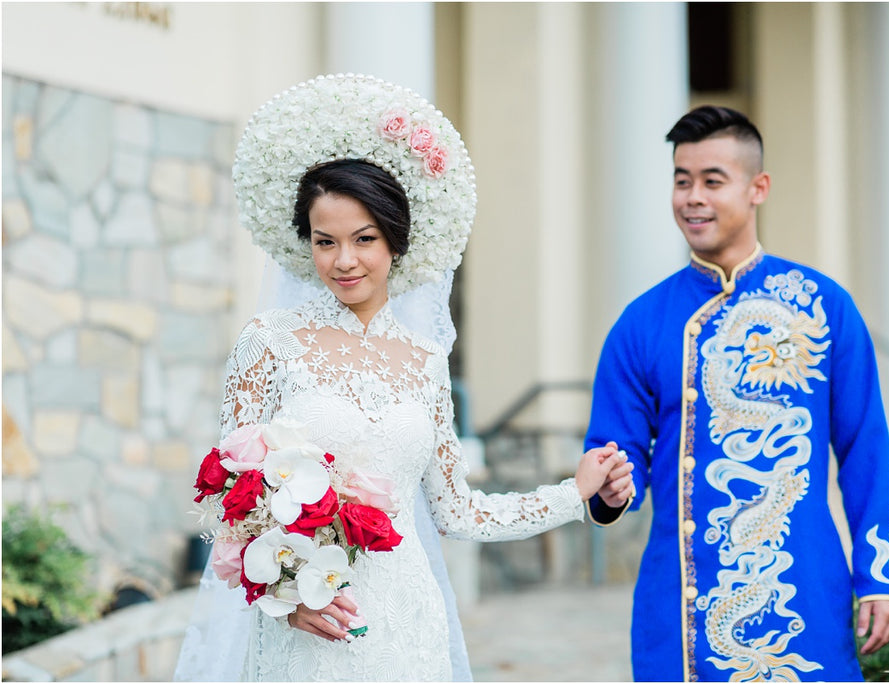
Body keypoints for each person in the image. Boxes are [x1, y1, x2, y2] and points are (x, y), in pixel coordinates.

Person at [174, 74, 622, 682]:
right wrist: (284, 596)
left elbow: (458, 512)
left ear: (395, 242)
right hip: (309, 626)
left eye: (364, 239)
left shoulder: (425, 361)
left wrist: (574, 494)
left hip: (408, 624)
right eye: (325, 241)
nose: (344, 260)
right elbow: (235, 498)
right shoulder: (270, 342)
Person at [584, 105, 889, 682]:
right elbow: (615, 453)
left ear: (758, 188)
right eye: (681, 180)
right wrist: (610, 483)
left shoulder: (822, 305)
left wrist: (881, 575)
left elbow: (865, 447)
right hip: (677, 597)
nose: (692, 197)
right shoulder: (641, 323)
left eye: (712, 181)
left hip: (802, 587)